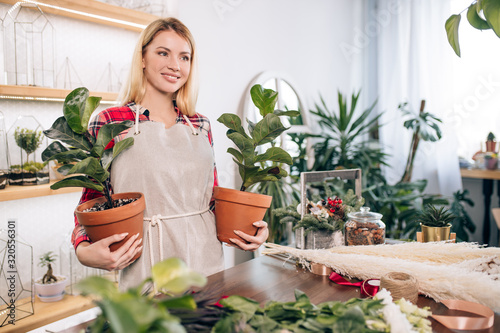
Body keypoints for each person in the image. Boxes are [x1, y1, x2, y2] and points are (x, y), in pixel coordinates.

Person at [72, 17, 269, 289]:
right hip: (147, 266)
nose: (175, 65)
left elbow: (210, 198)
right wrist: (83, 251)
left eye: (184, 57)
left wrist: (253, 228)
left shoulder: (200, 124)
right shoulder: (110, 121)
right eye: (163, 53)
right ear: (142, 58)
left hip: (206, 265)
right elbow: (91, 202)